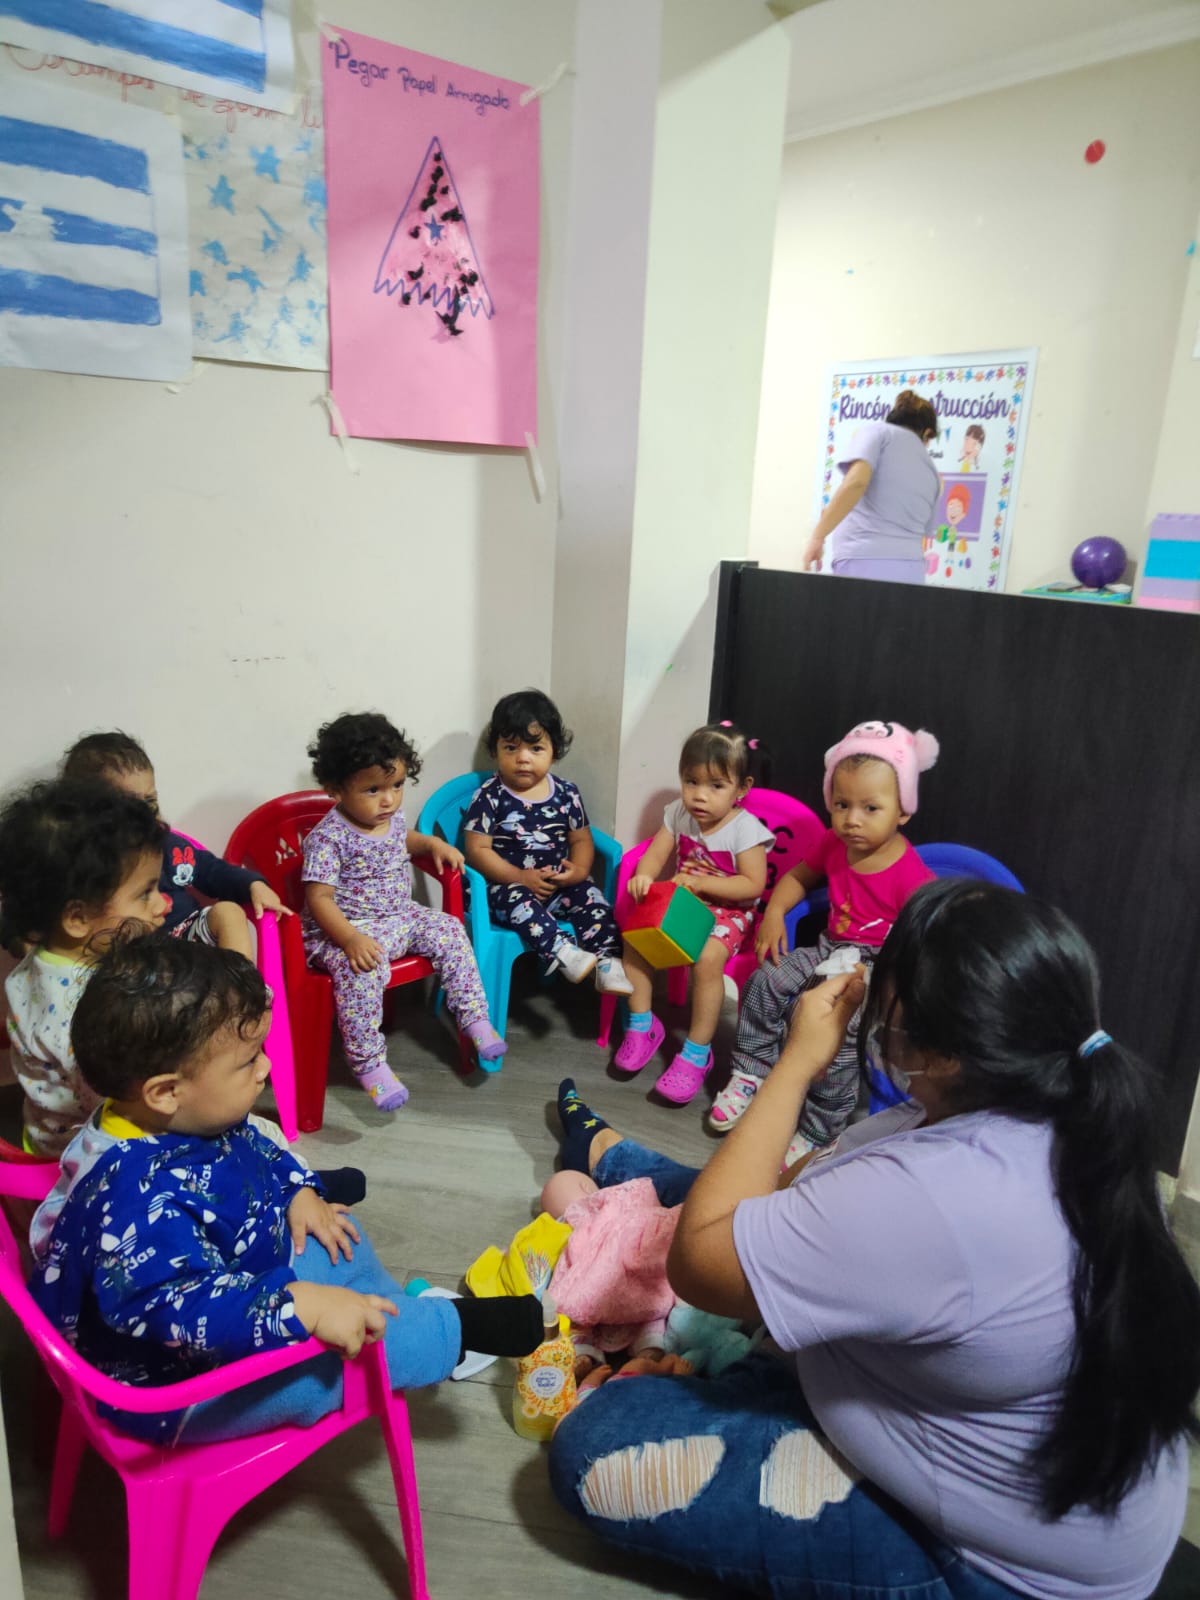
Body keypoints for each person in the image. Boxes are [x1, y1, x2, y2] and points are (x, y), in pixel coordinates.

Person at [547, 880, 1200, 1600]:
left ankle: (611, 1160)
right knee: (721, 1192)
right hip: (1016, 1458)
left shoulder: (940, 1196)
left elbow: (699, 1265)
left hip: (993, 1564)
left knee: (593, 1447)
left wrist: (794, 1065)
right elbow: (795, 1189)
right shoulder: (1063, 1112)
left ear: (943, 1053)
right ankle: (613, 1155)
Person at [28, 936, 544, 1444]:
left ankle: (386, 1302)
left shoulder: (168, 1114)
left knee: (337, 1230)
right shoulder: (132, 1202)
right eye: (248, 1060)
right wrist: (297, 1306)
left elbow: (247, 1144)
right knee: (337, 1367)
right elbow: (186, 1313)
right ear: (165, 1091)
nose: (266, 1067)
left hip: (238, 1273)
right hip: (179, 1384)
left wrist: (297, 1191)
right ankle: (448, 1330)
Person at [709, 720, 936, 1158]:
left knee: (842, 1030)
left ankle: (819, 1130)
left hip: (876, 965)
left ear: (903, 811)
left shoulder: (909, 873)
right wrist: (775, 913)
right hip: (829, 948)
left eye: (871, 808)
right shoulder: (834, 843)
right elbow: (798, 876)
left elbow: (926, 934)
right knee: (764, 980)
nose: (852, 819)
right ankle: (751, 1072)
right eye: (842, 804)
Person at [302, 711, 505, 1112]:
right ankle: (368, 1064)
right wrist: (350, 939)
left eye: (396, 785)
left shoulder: (390, 817)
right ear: (336, 790)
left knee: (449, 929)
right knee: (362, 970)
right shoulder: (328, 838)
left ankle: (474, 1018)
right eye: (373, 789)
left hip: (399, 916)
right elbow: (319, 898)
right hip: (345, 931)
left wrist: (432, 845)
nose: (389, 799)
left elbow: (404, 839)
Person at [0, 779, 168, 1157]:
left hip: (50, 1129)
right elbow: (117, 1100)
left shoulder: (54, 957)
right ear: (77, 918)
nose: (161, 905)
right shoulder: (76, 1011)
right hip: (80, 1152)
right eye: (145, 893)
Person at [612, 723, 774, 1105]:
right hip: (685, 904)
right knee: (635, 939)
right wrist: (645, 875)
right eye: (691, 781)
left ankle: (698, 1052)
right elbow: (656, 853)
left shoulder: (745, 830)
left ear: (741, 789)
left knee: (707, 957)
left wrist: (701, 884)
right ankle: (643, 1023)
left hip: (730, 912)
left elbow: (752, 885)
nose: (699, 795)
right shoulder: (678, 813)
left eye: (716, 785)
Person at [61, 730, 289, 961]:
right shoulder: (90, 862)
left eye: (150, 801)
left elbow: (211, 870)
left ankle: (240, 981)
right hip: (134, 955)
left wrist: (252, 884)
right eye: (130, 807)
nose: (146, 815)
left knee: (229, 913)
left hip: (186, 935)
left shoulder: (169, 845)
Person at [463, 689, 632, 995]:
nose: (523, 758)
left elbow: (581, 839)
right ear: (495, 750)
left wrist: (579, 871)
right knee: (515, 898)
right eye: (511, 747)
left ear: (554, 751)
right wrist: (519, 877)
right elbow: (476, 850)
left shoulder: (567, 793)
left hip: (557, 886)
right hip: (502, 888)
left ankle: (608, 961)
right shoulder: (489, 795)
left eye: (536, 748)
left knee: (592, 896)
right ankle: (562, 952)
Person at [803, 389, 942, 584]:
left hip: (864, 561)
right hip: (912, 569)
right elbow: (924, 530)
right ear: (927, 432)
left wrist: (818, 536)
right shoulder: (931, 472)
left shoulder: (877, 433)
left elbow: (856, 482)